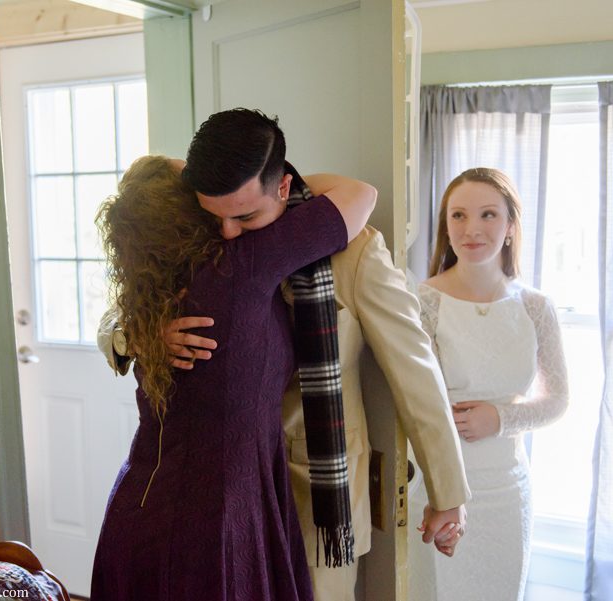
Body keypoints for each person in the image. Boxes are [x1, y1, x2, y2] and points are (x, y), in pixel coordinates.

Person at [99, 109, 471, 601]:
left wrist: (448, 493)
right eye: (217, 217)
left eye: (245, 216)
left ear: (280, 188)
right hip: (232, 500)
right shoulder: (203, 246)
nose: (228, 232)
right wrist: (138, 336)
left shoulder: (353, 251)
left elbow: (415, 370)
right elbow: (125, 304)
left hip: (318, 489)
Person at [90, 154, 377, 601]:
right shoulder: (243, 265)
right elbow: (361, 194)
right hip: (211, 527)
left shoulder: (149, 287)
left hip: (141, 509)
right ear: (199, 209)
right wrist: (271, 185)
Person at [407, 167, 570, 601]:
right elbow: (414, 401)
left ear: (511, 227)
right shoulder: (422, 302)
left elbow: (558, 400)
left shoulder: (536, 307)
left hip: (507, 488)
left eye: (488, 215)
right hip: (439, 484)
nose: (471, 229)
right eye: (458, 215)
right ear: (446, 225)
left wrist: (500, 418)